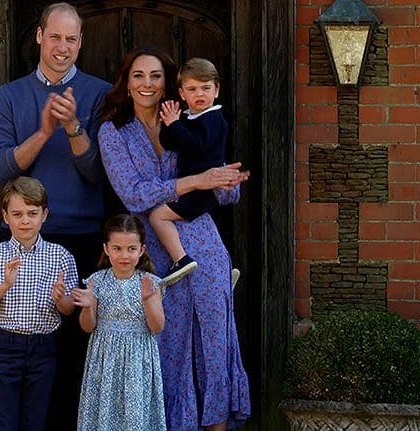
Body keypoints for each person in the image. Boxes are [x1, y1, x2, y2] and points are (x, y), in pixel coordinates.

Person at [97, 46, 251, 431]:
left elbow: (222, 190)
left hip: (203, 237)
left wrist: (227, 181)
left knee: (215, 340)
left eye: (155, 76)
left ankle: (217, 425)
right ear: (126, 83)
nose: (147, 84)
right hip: (153, 248)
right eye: (138, 76)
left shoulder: (189, 118)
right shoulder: (113, 131)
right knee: (168, 344)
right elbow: (133, 194)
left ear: (170, 85)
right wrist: (197, 181)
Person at [0, 3, 111, 428]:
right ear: (39, 36)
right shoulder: (9, 96)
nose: (62, 47)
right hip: (21, 240)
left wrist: (74, 127)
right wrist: (42, 132)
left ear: (81, 42)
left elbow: (97, 173)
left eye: (71, 39)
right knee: (16, 355)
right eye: (54, 37)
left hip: (79, 238)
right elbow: (0, 169)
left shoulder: (100, 94)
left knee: (73, 354)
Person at [0, 176, 77, 431]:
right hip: (5, 346)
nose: (25, 221)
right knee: (2, 420)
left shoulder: (60, 256)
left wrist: (61, 298)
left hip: (43, 346)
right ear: (6, 217)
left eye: (32, 213)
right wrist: (5, 286)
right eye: (17, 214)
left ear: (44, 215)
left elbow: (69, 309)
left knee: (35, 420)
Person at [151, 57, 248, 286]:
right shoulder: (190, 117)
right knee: (206, 231)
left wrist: (175, 124)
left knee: (158, 216)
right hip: (193, 187)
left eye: (206, 88)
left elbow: (197, 145)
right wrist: (168, 123)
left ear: (216, 90)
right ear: (182, 94)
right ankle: (222, 274)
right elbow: (169, 142)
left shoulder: (214, 118)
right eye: (192, 89)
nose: (199, 94)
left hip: (201, 190)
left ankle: (180, 260)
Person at [71, 214, 167, 431]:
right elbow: (87, 327)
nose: (124, 255)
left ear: (141, 249)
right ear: (106, 248)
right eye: (117, 248)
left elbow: (157, 327)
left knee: (135, 417)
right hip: (105, 359)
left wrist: (148, 301)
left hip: (138, 360)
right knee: (104, 415)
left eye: (131, 249)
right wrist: (87, 306)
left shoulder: (150, 283)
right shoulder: (97, 281)